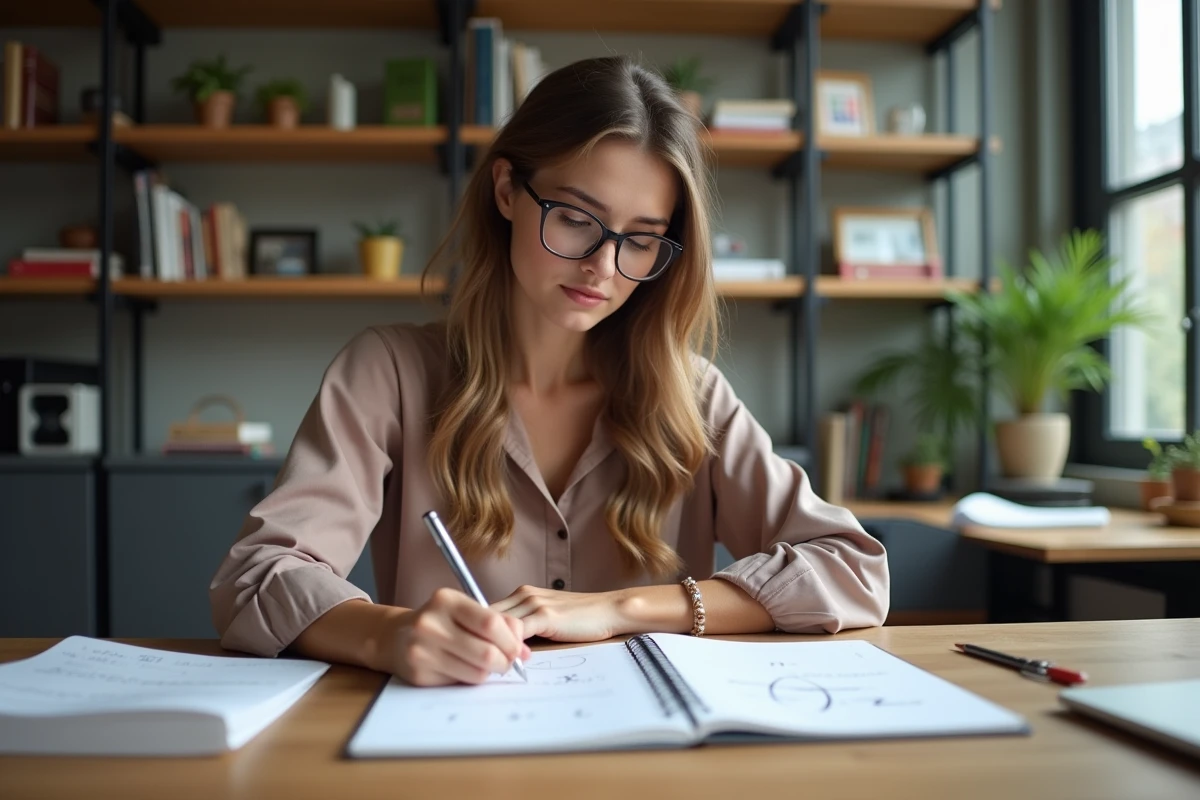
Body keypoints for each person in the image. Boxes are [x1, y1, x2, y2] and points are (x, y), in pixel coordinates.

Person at [209, 55, 889, 687]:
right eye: (574, 218)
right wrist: (388, 635)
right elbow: (256, 579)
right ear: (507, 188)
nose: (602, 264)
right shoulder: (387, 372)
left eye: (642, 239)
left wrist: (621, 609)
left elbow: (854, 572)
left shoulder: (695, 395)